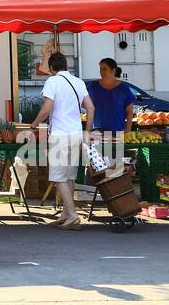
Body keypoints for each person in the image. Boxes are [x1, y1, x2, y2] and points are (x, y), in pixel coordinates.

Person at [32, 51, 96, 230]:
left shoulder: (52, 81)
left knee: (58, 177)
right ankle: (66, 214)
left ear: (51, 68)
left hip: (60, 135)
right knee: (68, 177)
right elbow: (91, 108)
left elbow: (47, 108)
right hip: (76, 134)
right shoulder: (78, 82)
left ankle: (73, 215)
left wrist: (34, 124)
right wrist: (88, 130)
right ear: (66, 66)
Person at [86, 58, 135, 135]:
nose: (102, 72)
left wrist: (128, 129)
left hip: (117, 132)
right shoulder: (92, 86)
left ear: (113, 71)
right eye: (100, 69)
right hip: (96, 132)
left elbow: (129, 111)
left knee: (115, 148)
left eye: (105, 69)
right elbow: (84, 104)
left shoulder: (123, 88)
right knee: (98, 147)